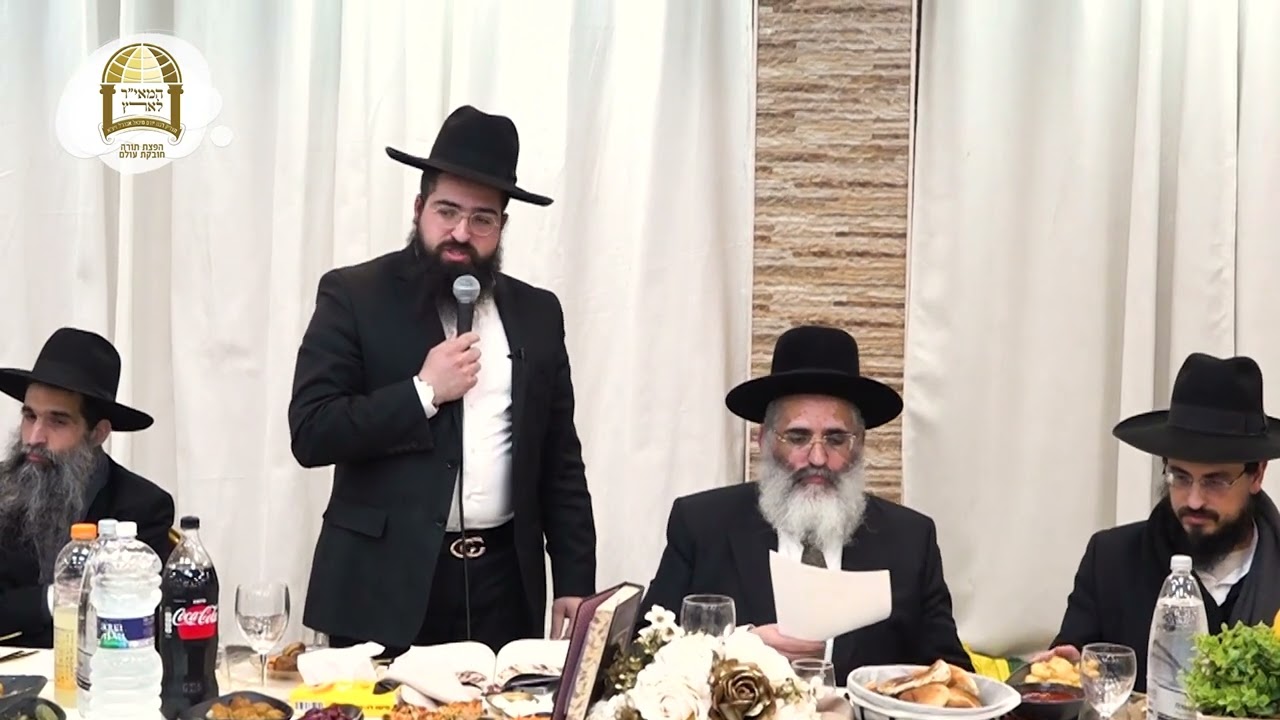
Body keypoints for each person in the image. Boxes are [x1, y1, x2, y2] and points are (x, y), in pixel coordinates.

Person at [289, 105, 596, 653]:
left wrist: (575, 579)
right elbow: (312, 432)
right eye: (447, 211)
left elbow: (560, 459)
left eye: (482, 219)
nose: (460, 233)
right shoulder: (354, 295)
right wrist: (423, 393)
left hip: (503, 584)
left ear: (502, 226)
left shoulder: (538, 313)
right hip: (383, 586)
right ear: (419, 208)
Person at [640, 326, 971, 678]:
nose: (817, 457)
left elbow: (953, 676)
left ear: (859, 444)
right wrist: (740, 648)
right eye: (797, 437)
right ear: (764, 440)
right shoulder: (702, 525)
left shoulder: (911, 540)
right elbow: (639, 657)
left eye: (836, 439)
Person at [1043, 352, 1280, 692]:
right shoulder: (1110, 560)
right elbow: (1070, 672)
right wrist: (1065, 675)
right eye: (1180, 477)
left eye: (1215, 481)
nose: (1194, 500)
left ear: (1257, 474)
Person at [0, 327, 175, 647]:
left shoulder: (143, 507)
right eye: (29, 416)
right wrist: (59, 597)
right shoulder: (4, 489)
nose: (35, 437)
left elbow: (143, 622)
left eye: (57, 421)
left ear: (98, 433)